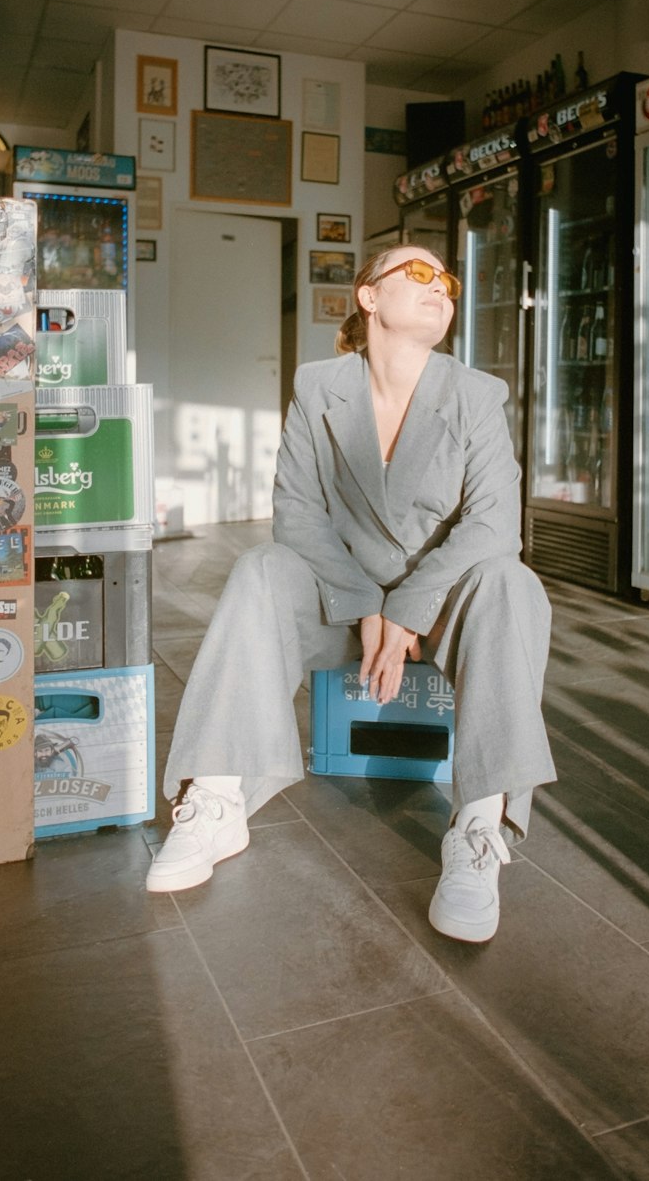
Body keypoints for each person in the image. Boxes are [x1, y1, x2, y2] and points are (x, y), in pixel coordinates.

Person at [147, 246, 556, 942]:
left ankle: (481, 830)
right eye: (418, 274)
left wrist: (406, 609)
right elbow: (297, 512)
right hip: (344, 601)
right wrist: (367, 603)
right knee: (261, 569)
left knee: (511, 583)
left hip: (445, 601)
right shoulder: (319, 387)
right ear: (369, 297)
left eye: (446, 281)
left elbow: (495, 524)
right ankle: (216, 799)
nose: (440, 288)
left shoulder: (477, 395)